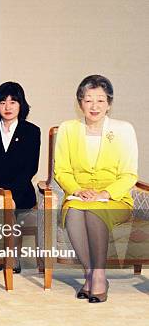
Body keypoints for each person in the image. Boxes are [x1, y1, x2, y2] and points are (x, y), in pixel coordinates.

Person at [55, 74, 138, 303]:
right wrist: (78, 190)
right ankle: (91, 275)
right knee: (73, 212)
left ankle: (98, 278)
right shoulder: (68, 129)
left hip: (114, 197)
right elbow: (61, 170)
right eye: (88, 100)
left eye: (100, 100)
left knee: (94, 211)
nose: (94, 106)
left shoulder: (123, 130)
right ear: (79, 102)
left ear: (109, 103)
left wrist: (104, 194)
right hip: (78, 194)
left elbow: (129, 174)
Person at [0, 82, 41, 273]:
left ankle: (10, 257)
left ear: (21, 105)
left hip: (20, 191)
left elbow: (30, 168)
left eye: (13, 102)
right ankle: (1, 256)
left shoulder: (31, 131)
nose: (8, 107)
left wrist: (9, 194)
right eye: (3, 102)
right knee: (1, 204)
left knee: (9, 205)